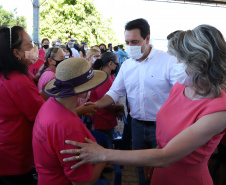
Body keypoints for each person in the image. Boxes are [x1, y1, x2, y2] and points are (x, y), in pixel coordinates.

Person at [61, 24, 226, 185]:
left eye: (181, 60)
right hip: (155, 160)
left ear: (202, 63)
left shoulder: (218, 111)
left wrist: (104, 154)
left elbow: (166, 156)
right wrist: (152, 156)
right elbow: (115, 93)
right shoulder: (182, 87)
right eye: (127, 42)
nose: (176, 64)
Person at [78, 18, 178, 185]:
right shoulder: (127, 66)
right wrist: (96, 105)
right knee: (140, 167)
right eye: (127, 42)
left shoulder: (167, 61)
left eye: (135, 42)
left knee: (160, 170)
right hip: (136, 124)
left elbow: (179, 94)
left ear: (147, 39)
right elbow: (115, 92)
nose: (130, 46)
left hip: (162, 126)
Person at [33, 57, 108, 185]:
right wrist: (103, 159)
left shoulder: (50, 104)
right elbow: (83, 183)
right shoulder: (69, 127)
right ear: (83, 90)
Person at [0, 26, 44, 185]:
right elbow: (41, 116)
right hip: (15, 159)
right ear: (16, 53)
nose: (34, 49)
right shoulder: (18, 81)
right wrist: (79, 109)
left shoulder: (9, 75)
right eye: (29, 45)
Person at [91, 52, 123, 140]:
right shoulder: (103, 79)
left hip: (106, 119)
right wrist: (120, 107)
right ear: (110, 64)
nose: (117, 66)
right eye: (116, 64)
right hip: (103, 120)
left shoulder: (106, 76)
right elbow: (105, 103)